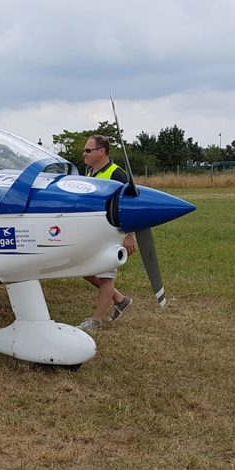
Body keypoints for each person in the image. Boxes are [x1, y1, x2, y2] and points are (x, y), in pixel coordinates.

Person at [77, 135, 137, 333]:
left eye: (88, 150)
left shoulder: (117, 175)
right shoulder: (90, 172)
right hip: (94, 232)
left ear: (101, 151)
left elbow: (129, 206)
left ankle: (96, 320)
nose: (84, 154)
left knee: (106, 276)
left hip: (113, 233)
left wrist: (130, 235)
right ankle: (120, 300)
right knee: (83, 269)